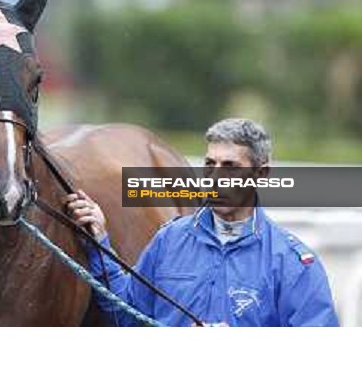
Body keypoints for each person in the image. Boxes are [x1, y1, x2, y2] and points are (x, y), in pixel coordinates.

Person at [63, 118, 339, 327]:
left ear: (261, 173)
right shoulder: (169, 241)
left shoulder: (294, 263)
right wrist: (99, 241)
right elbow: (127, 313)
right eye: (210, 164)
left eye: (230, 166)